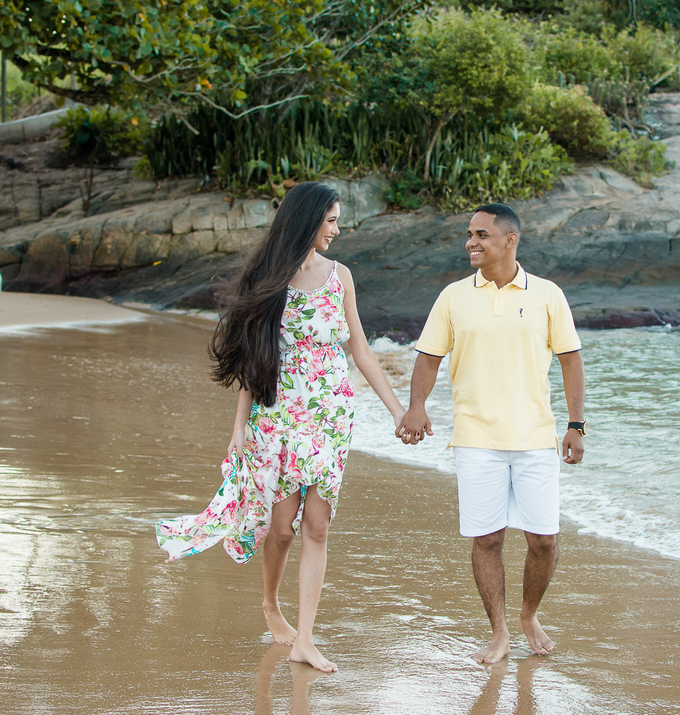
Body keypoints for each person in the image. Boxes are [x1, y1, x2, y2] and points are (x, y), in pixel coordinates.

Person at [156, 182, 406, 672]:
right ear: (309, 220)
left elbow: (360, 350)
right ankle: (271, 605)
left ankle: (305, 638)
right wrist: (238, 427)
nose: (337, 229)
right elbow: (254, 359)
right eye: (331, 220)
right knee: (282, 529)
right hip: (278, 416)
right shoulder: (269, 279)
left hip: (331, 419)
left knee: (317, 525)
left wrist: (397, 411)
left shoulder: (341, 277)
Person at [398, 203, 587, 664]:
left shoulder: (547, 294)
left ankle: (528, 614)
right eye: (469, 234)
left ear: (510, 240)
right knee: (487, 539)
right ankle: (499, 631)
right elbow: (427, 358)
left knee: (544, 539)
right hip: (475, 437)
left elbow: (570, 359)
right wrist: (416, 407)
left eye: (481, 234)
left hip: (535, 437)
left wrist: (576, 425)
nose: (471, 242)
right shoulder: (453, 297)